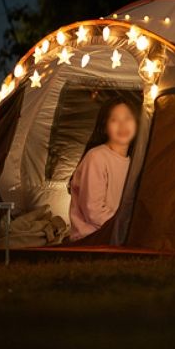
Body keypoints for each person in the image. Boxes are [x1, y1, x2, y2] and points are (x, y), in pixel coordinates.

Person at [68, 96, 139, 241]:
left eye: (127, 118)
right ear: (105, 127)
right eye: (114, 120)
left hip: (116, 233)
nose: (122, 125)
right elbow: (93, 211)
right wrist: (126, 227)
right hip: (92, 237)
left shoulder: (134, 162)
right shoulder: (96, 157)